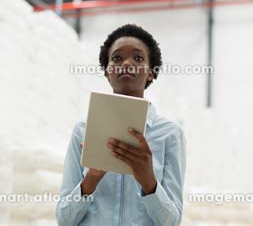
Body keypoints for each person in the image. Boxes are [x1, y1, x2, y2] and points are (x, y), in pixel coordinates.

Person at [56, 24, 186, 225]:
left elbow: (172, 222)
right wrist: (91, 178)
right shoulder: (82, 131)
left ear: (151, 72)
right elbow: (64, 220)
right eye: (116, 58)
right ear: (107, 72)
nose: (127, 63)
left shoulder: (170, 134)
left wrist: (148, 181)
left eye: (138, 58)